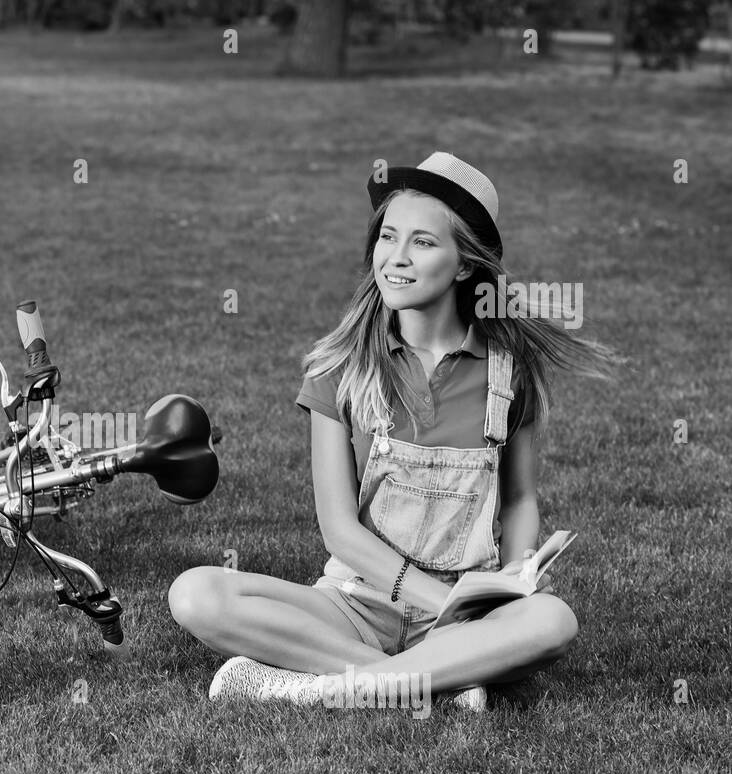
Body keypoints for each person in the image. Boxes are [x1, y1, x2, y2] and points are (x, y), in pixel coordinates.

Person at [168, 152, 623, 711]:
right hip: (357, 602)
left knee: (553, 620)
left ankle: (322, 686)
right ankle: (428, 680)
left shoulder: (509, 371)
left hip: (467, 614)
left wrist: (516, 573)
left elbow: (522, 497)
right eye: (388, 237)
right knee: (197, 593)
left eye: (423, 243)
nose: (396, 258)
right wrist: (435, 599)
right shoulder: (340, 368)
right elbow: (340, 531)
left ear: (463, 265)